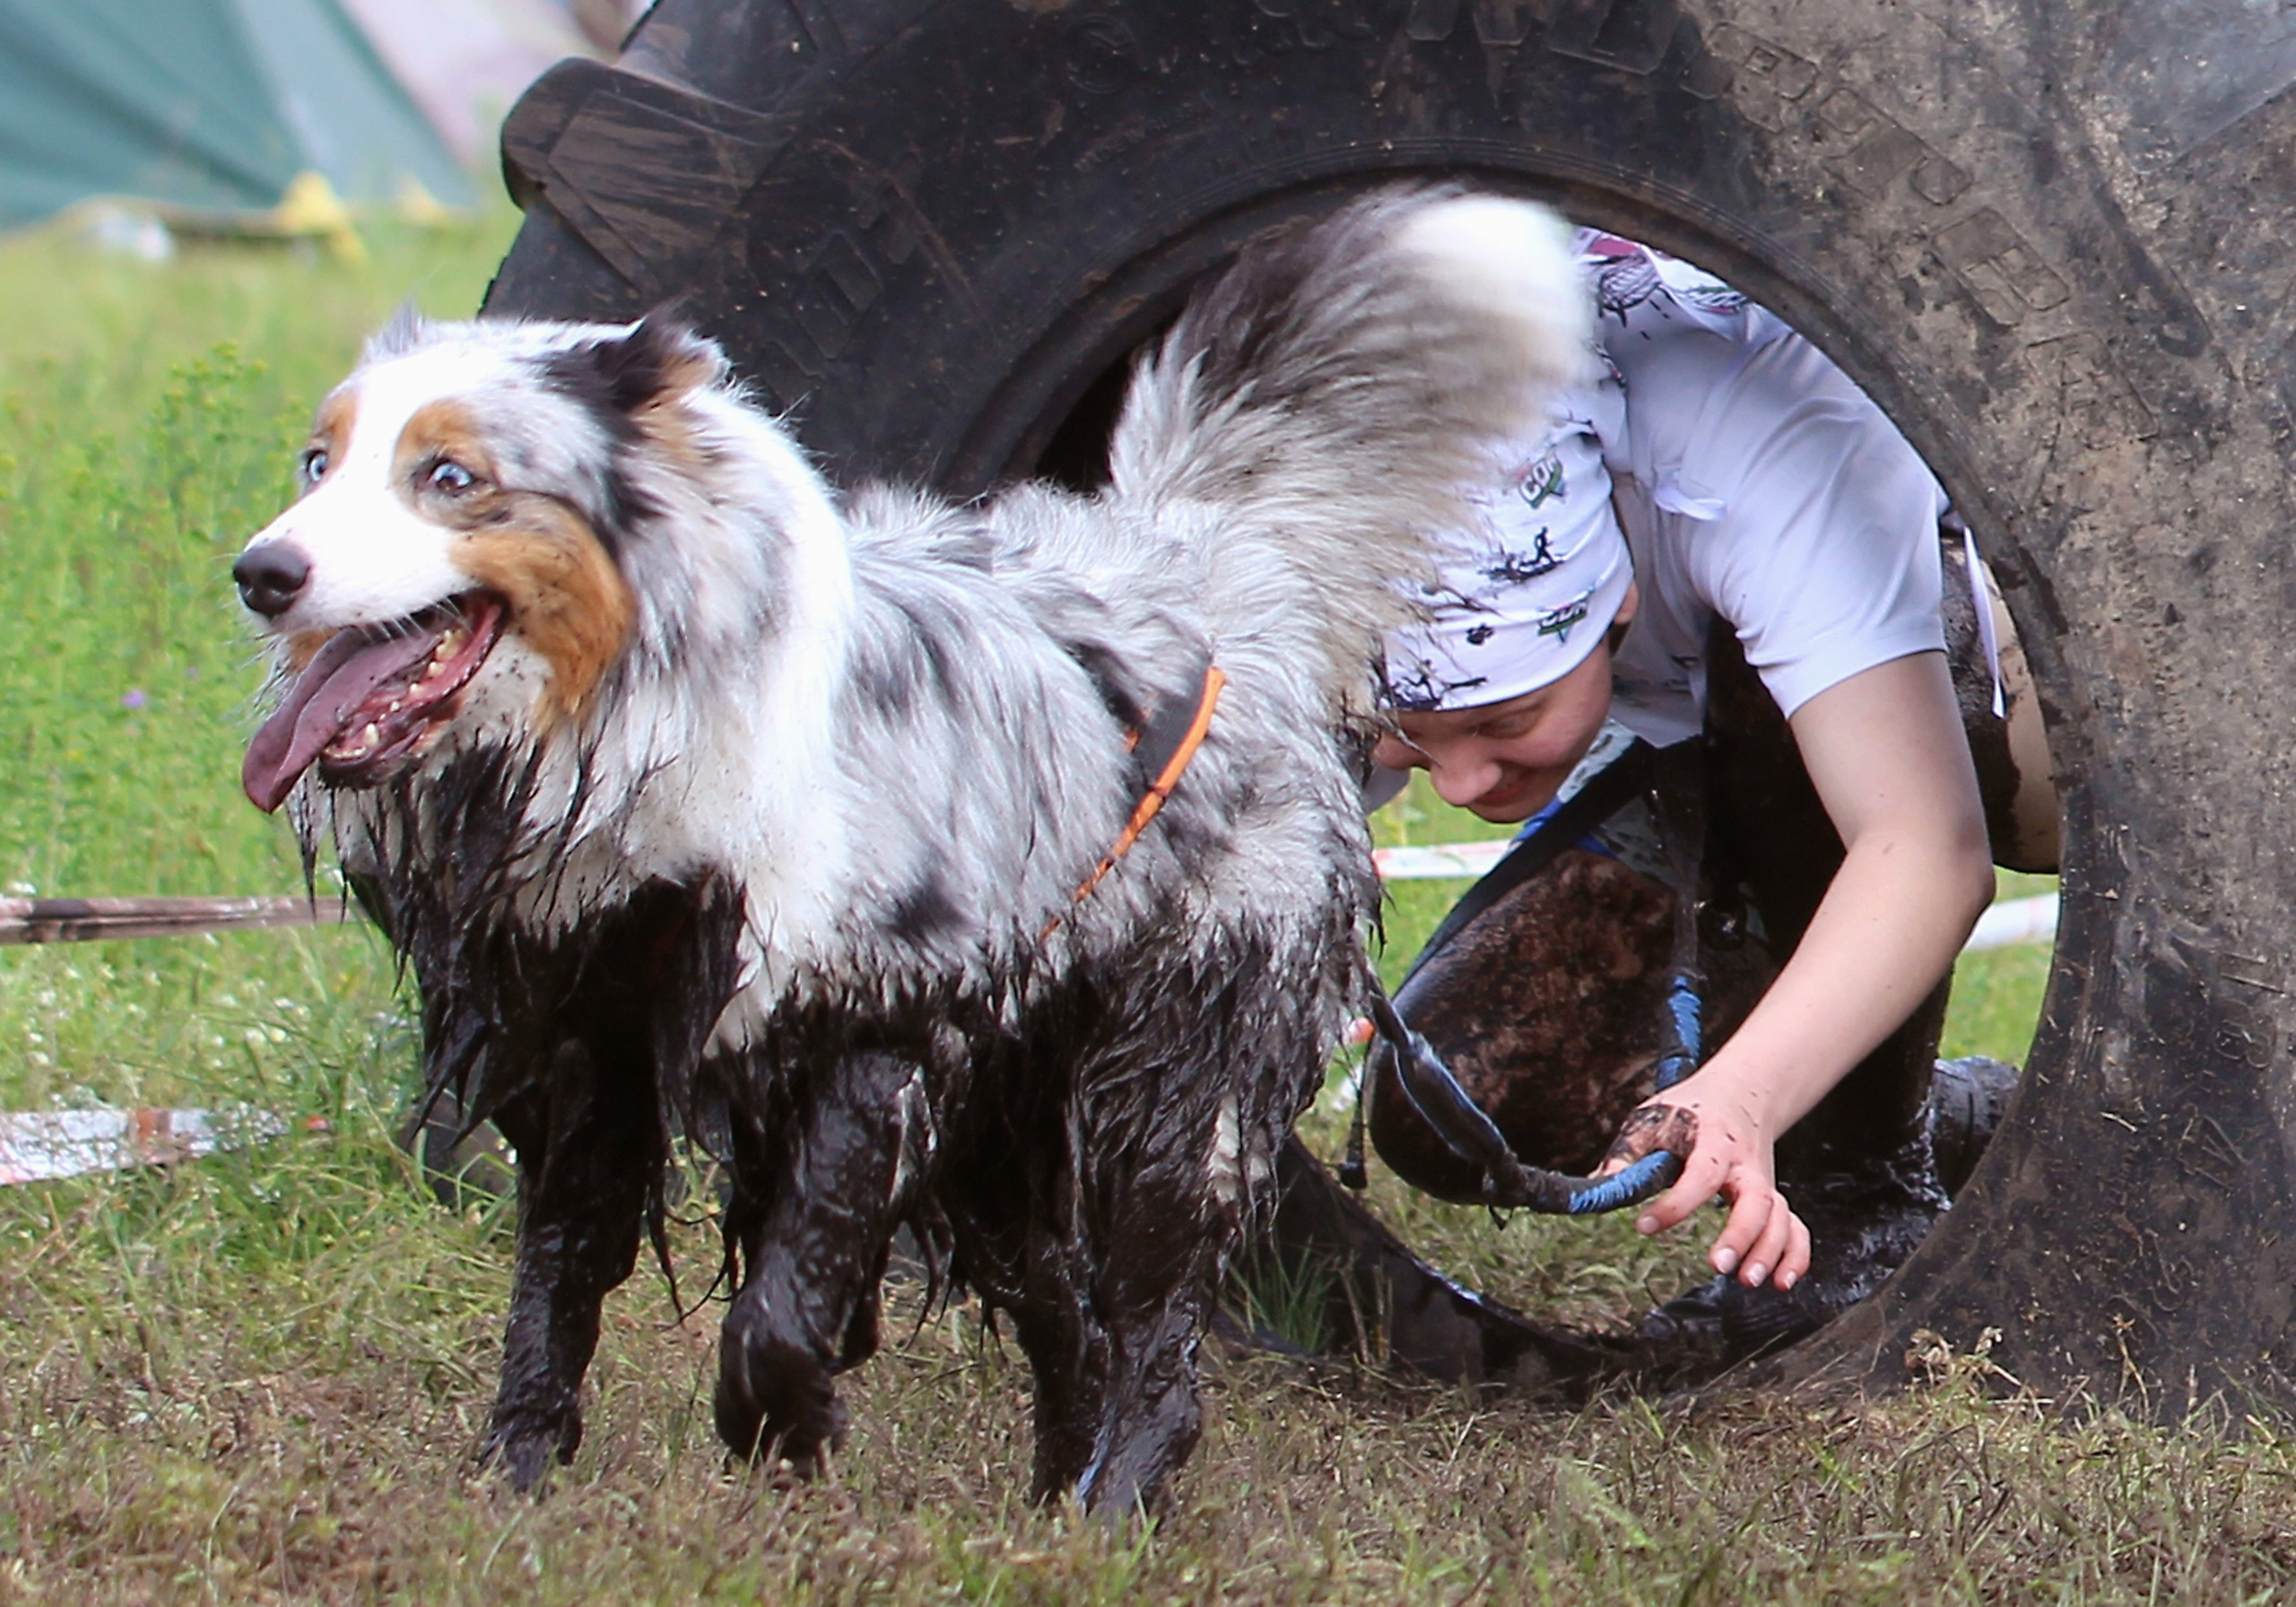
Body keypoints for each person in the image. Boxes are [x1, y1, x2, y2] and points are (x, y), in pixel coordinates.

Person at [1370, 231, 2039, 1333]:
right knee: (1451, 1102)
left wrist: (1740, 1096)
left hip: (1994, 650)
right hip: (1673, 736)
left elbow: (1924, 847)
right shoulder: (1335, 497)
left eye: (1502, 721)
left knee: (1809, 707)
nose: (1457, 782)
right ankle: (1950, 1112)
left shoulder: (1754, 440)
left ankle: (1864, 1197)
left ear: (1615, 607)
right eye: (1412, 735)